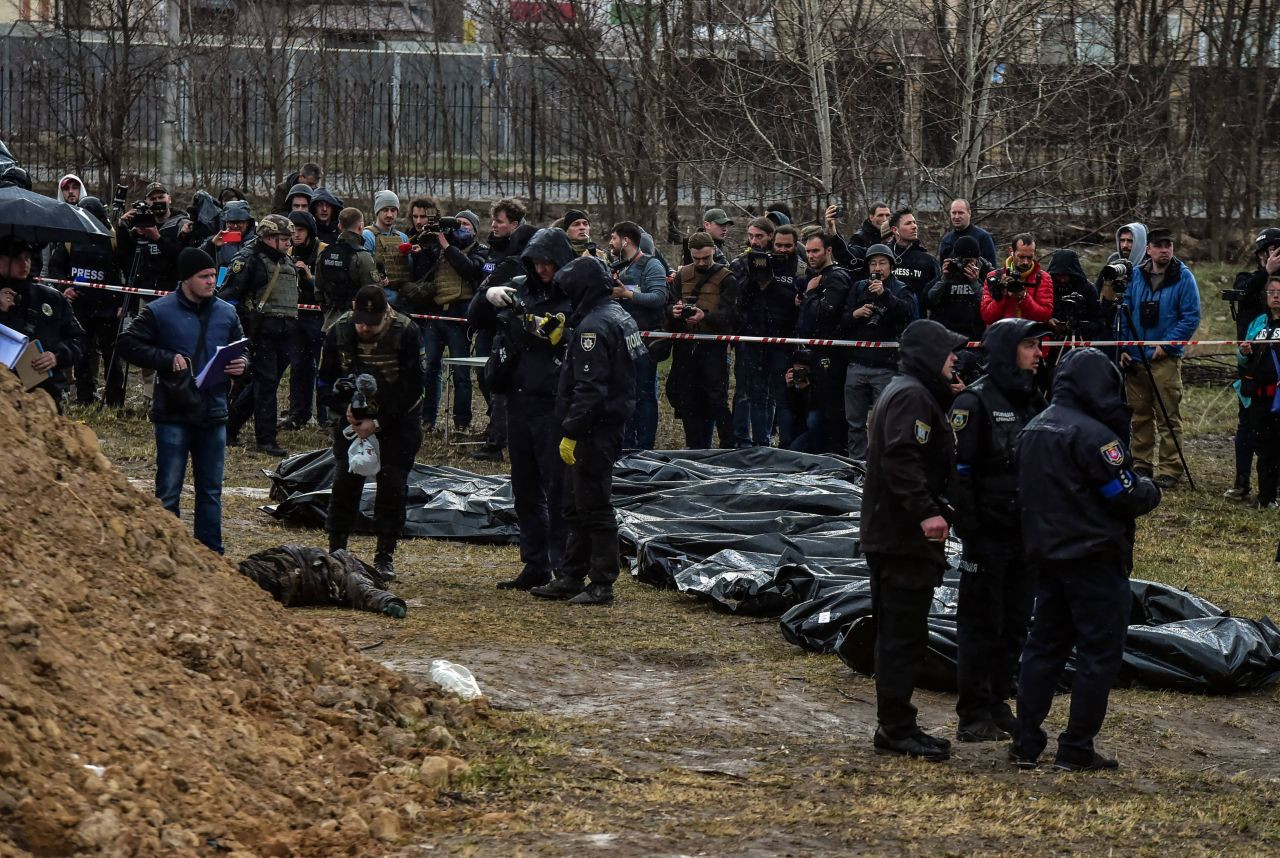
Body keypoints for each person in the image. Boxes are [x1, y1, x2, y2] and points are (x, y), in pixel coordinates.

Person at [1011, 347, 1161, 771]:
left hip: (1047, 555)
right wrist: (1150, 488)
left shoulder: (1034, 427)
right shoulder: (1097, 438)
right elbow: (1124, 495)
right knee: (1098, 654)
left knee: (1043, 648)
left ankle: (1025, 741)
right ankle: (1076, 747)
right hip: (1094, 558)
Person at [860, 318, 968, 761]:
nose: (955, 358)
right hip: (901, 537)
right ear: (928, 355)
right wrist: (927, 513)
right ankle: (896, 727)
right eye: (948, 351)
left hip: (893, 534)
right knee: (901, 634)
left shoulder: (913, 391)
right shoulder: (910, 396)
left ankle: (898, 722)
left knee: (902, 632)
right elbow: (901, 458)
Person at [949, 319, 1048, 743]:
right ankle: (972, 711)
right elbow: (958, 473)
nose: (1039, 354)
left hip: (1025, 533)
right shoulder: (974, 402)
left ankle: (997, 701)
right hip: (987, 534)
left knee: (1015, 622)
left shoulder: (1034, 398)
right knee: (981, 624)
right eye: (1030, 346)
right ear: (1008, 350)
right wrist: (972, 527)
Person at [115, 247, 247, 554]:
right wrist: (165, 358)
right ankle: (168, 552)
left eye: (214, 275)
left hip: (213, 412)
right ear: (186, 279)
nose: (211, 281)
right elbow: (127, 343)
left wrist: (242, 365)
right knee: (169, 490)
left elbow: (241, 348)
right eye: (204, 276)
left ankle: (212, 554)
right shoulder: (160, 311)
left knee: (211, 491)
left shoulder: (227, 313)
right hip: (173, 411)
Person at [530, 257, 646, 606]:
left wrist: (573, 430)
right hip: (604, 424)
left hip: (594, 430)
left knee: (593, 505)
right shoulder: (619, 317)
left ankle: (601, 581)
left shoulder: (595, 327)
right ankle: (570, 574)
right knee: (576, 503)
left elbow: (591, 387)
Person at [469, 227, 575, 590]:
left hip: (553, 399)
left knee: (557, 487)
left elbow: (570, 336)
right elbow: (475, 314)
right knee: (524, 486)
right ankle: (535, 563)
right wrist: (490, 294)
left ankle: (563, 565)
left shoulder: (573, 293)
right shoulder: (520, 286)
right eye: (537, 263)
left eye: (548, 263)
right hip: (518, 396)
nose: (543, 269)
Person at [318, 284, 425, 582]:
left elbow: (413, 388)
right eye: (360, 321)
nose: (364, 328)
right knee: (344, 483)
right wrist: (345, 408)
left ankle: (384, 555)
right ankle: (336, 549)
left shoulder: (406, 331)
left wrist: (378, 424)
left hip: (398, 419)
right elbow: (325, 380)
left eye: (371, 322)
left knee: (392, 485)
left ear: (385, 315)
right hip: (352, 419)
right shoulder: (340, 329)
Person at [1116, 226, 1201, 488]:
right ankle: (1142, 464)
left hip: (1165, 359)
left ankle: (1170, 468)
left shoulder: (1184, 277)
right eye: (1159, 245)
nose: (1165, 250)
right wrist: (1125, 349)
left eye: (1169, 245)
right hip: (1135, 358)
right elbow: (1124, 312)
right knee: (1139, 415)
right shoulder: (1136, 276)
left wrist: (1166, 346)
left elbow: (1190, 317)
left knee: (1168, 417)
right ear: (1149, 249)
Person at [400, 210, 488, 432]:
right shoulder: (438, 248)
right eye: (459, 223)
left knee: (460, 372)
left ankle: (462, 421)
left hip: (459, 317)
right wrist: (424, 247)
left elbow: (469, 270)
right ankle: (427, 418)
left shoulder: (480, 251)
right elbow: (423, 273)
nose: (462, 228)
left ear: (476, 230)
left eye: (467, 224)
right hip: (434, 314)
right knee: (430, 368)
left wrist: (446, 246)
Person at [222, 214, 299, 456]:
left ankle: (229, 427)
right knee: (265, 385)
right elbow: (230, 297)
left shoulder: (285, 261)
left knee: (263, 383)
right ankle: (266, 439)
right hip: (261, 333)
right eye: (284, 239)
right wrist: (244, 329)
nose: (289, 243)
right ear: (268, 238)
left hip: (285, 332)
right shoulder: (248, 259)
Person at [48, 196, 126, 408]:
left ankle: (115, 402)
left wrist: (122, 303)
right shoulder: (70, 238)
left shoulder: (113, 237)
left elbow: (124, 272)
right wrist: (65, 288)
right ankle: (85, 398)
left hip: (109, 307)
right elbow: (56, 267)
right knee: (83, 354)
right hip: (80, 307)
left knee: (112, 356)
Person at [840, 243, 914, 461]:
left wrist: (885, 295)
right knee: (855, 423)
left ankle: (884, 466)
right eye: (873, 263)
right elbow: (841, 322)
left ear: (891, 265)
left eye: (882, 262)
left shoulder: (901, 289)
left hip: (886, 366)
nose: (878, 267)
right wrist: (856, 314)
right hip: (857, 364)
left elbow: (907, 315)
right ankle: (857, 466)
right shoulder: (858, 288)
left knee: (886, 423)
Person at [667, 232, 739, 448]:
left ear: (714, 252)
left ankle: (728, 445)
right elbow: (669, 303)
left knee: (717, 398)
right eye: (696, 258)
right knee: (687, 398)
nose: (700, 263)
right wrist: (675, 311)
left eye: (705, 258)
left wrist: (705, 316)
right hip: (686, 346)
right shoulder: (682, 275)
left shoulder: (727, 278)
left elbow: (731, 314)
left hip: (713, 346)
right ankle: (694, 446)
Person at [1224, 228, 1280, 502]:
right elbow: (1242, 295)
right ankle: (1242, 481)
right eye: (1273, 250)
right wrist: (1265, 273)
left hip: (1277, 367)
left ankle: (1271, 487)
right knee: (1247, 425)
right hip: (1250, 365)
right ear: (1261, 254)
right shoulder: (1248, 278)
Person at [733, 222, 801, 447]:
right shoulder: (758, 263)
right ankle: (761, 444)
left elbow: (798, 303)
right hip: (755, 339)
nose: (782, 250)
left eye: (787, 246)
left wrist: (774, 287)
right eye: (778, 245)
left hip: (784, 341)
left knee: (782, 396)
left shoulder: (800, 268)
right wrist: (755, 282)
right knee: (757, 396)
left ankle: (786, 446)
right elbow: (740, 301)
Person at [0, 237, 84, 412]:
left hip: (45, 397)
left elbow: (78, 341)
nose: (24, 263)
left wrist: (56, 356)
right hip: (5, 400)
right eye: (16, 258)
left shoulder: (51, 298)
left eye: (27, 257)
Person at [610, 220, 669, 450]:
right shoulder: (616, 265)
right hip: (621, 340)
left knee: (644, 394)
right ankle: (627, 442)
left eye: (614, 238)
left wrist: (627, 294)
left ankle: (644, 446)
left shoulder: (651, 265)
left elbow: (658, 298)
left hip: (644, 342)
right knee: (625, 393)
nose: (611, 243)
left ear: (626, 241)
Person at [796, 232, 854, 454]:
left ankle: (837, 455)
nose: (810, 255)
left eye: (815, 251)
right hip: (817, 351)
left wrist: (810, 296)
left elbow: (826, 313)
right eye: (808, 251)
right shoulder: (815, 277)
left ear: (828, 251)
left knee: (832, 411)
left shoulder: (836, 277)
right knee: (818, 411)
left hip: (833, 354)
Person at [1236, 275, 1280, 508]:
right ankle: (1266, 497)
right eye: (1272, 292)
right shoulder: (1258, 323)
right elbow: (1242, 360)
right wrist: (1244, 352)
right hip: (1260, 397)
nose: (1276, 297)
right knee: (1264, 449)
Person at [926, 235, 991, 381]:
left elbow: (990, 305)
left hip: (976, 343)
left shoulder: (987, 274)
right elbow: (930, 299)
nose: (966, 265)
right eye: (963, 261)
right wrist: (944, 278)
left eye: (970, 261)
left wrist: (975, 282)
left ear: (978, 260)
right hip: (948, 344)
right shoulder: (950, 271)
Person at [283, 210, 326, 429]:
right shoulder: (288, 251)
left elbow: (329, 286)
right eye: (293, 231)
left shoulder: (324, 251)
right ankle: (297, 414)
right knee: (299, 366)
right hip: (296, 315)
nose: (296, 235)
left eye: (300, 230)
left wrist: (310, 277)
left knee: (324, 367)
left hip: (320, 316)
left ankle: (325, 417)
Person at [316, 207, 381, 331]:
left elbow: (318, 290)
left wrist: (330, 308)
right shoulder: (362, 256)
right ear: (361, 226)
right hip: (356, 326)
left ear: (340, 226)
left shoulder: (324, 254)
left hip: (330, 323)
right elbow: (374, 293)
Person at [981, 233, 1054, 325]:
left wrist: (1023, 296)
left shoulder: (1043, 278)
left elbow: (1044, 317)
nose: (1025, 262)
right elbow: (988, 318)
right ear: (1011, 251)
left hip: (1032, 336)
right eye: (1021, 257)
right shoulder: (994, 277)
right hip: (1003, 335)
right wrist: (1002, 295)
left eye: (1030, 257)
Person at [886, 207, 939, 316]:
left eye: (914, 223)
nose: (914, 226)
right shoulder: (884, 257)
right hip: (887, 322)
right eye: (908, 223)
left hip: (917, 322)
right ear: (895, 230)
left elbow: (935, 297)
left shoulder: (927, 260)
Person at [362, 191, 410, 302]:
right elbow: (364, 269)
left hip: (400, 294)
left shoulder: (403, 238)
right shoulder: (367, 235)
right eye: (385, 210)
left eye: (393, 210)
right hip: (378, 296)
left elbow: (408, 268)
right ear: (377, 211)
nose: (389, 214)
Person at [937, 199, 998, 267]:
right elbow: (941, 270)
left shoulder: (983, 237)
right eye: (954, 213)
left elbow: (992, 270)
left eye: (960, 213)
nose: (956, 217)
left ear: (969, 213)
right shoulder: (946, 240)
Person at [200, 199, 255, 272]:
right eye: (231, 222)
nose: (235, 226)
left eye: (239, 222)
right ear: (225, 222)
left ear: (247, 222)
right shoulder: (216, 240)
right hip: (221, 281)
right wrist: (211, 245)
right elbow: (195, 259)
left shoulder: (256, 242)